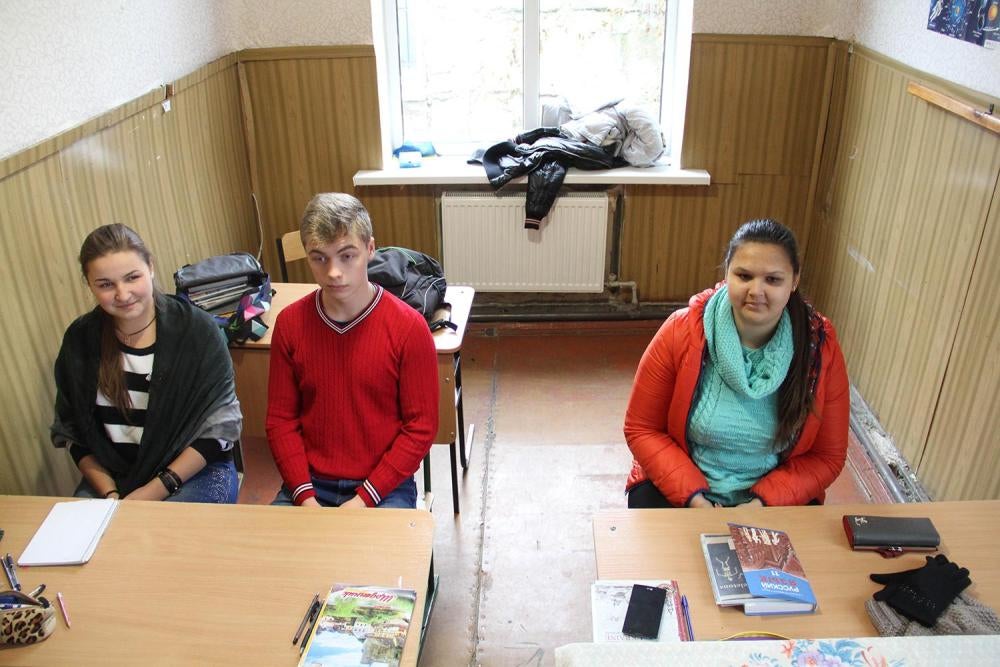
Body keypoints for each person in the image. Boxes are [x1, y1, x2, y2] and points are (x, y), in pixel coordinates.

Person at [624, 219, 849, 508]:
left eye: (773, 280)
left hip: (774, 496)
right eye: (744, 276)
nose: (756, 291)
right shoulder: (681, 330)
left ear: (794, 281)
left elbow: (826, 457)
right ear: (727, 273)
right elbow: (642, 428)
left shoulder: (821, 347)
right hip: (682, 486)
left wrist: (762, 504)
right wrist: (695, 499)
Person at [266, 193, 438, 508]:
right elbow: (280, 420)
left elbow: (420, 428)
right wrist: (304, 496)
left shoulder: (409, 329)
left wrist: (363, 499)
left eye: (347, 256)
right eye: (319, 258)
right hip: (309, 482)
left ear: (370, 249)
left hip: (383, 485)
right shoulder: (290, 325)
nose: (333, 272)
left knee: (379, 558)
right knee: (271, 556)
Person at [51, 224, 242, 502]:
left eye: (132, 278)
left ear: (150, 267)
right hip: (114, 479)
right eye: (105, 284)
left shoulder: (197, 331)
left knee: (167, 541)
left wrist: (152, 492)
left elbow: (222, 426)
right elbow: (72, 431)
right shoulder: (80, 338)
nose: (123, 294)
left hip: (193, 472)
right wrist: (111, 493)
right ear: (89, 284)